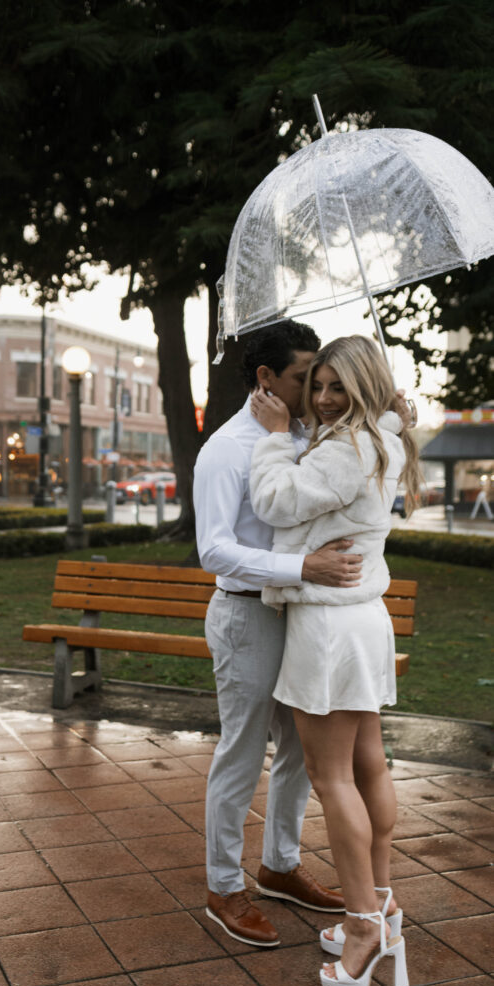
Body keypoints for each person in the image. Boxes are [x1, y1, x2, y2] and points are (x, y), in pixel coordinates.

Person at [249, 334, 420, 986]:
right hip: (358, 619)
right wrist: (392, 414)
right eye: (315, 385)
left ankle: (360, 928)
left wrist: (271, 435)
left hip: (327, 625)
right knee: (365, 763)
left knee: (331, 776)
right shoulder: (376, 435)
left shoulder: (348, 445)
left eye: (336, 387)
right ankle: (381, 905)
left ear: (363, 388)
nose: (321, 398)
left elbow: (274, 502)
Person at [194, 320, 364, 949]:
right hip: (246, 616)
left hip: (302, 614)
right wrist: (303, 567)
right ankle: (222, 884)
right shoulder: (225, 449)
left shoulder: (304, 436)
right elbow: (214, 549)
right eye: (303, 378)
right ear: (266, 379)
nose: (317, 389)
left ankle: (280, 866)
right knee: (241, 751)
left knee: (300, 748)